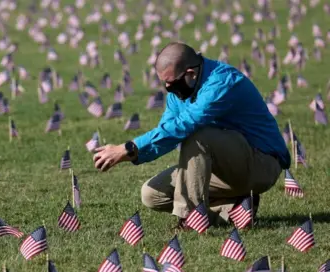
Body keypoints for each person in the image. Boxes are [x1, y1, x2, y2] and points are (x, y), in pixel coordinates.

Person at [92, 42, 290, 228]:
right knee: (151, 194)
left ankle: (190, 219)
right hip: (225, 169)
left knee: (198, 135)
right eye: (164, 84)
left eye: (172, 83)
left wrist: (129, 148)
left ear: (190, 74)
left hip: (261, 164)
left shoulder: (221, 82)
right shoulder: (179, 91)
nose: (168, 89)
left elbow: (185, 124)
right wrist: (133, 153)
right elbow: (167, 131)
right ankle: (234, 208)